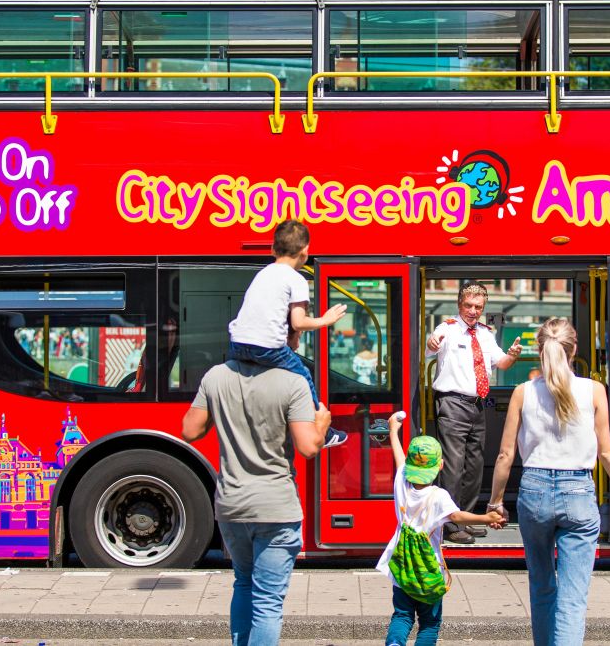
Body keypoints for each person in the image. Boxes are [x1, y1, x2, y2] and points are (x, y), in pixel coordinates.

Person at [486, 317, 610, 646]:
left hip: (534, 491)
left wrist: (495, 503)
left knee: (541, 587)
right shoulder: (594, 390)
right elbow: (607, 452)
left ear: (539, 349)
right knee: (572, 598)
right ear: (574, 349)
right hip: (579, 491)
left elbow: (505, 455)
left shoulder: (522, 393)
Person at [182, 326, 332, 646]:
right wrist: (321, 426)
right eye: (293, 336)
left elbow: (190, 430)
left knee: (244, 584)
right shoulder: (293, 383)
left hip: (231, 506)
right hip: (276, 507)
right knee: (268, 602)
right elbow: (307, 448)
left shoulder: (215, 376)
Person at [377, 411, 503, 646]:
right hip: (429, 570)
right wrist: (486, 518)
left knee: (402, 615)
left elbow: (399, 460)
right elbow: (457, 516)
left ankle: (395, 644)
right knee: (430, 623)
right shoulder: (438, 496)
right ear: (441, 465)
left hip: (402, 569)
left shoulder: (401, 483)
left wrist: (393, 431)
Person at [227, 218, 348, 447]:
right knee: (303, 376)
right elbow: (298, 322)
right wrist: (326, 320)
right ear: (305, 253)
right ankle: (320, 429)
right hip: (267, 346)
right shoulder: (296, 279)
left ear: (273, 249)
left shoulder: (263, 274)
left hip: (237, 343)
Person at [426, 281, 523, 544]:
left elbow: (500, 362)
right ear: (459, 305)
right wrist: (432, 343)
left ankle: (465, 519)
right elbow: (430, 346)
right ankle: (449, 524)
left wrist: (513, 355)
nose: (473, 310)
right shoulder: (446, 328)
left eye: (478, 307)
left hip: (477, 403)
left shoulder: (485, 333)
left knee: (474, 465)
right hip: (452, 402)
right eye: (468, 305)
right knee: (453, 467)